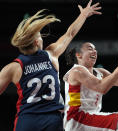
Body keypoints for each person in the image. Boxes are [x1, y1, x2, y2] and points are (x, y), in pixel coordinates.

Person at [0, 0, 102, 130]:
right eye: (40, 37)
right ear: (37, 42)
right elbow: (70, 33)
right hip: (53, 120)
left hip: (27, 121)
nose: (43, 38)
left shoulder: (13, 68)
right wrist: (83, 15)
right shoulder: (51, 54)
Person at [63, 42, 118, 131]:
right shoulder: (77, 71)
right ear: (79, 55)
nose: (95, 51)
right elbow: (101, 87)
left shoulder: (100, 72)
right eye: (90, 49)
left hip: (90, 117)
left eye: (95, 49)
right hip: (77, 118)